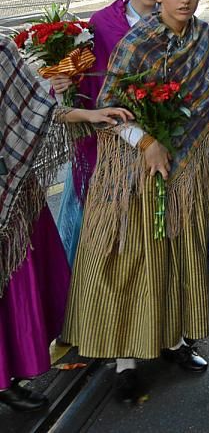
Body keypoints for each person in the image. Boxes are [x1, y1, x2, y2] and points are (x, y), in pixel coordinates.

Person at [63, 0, 209, 403]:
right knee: (133, 256)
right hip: (134, 171)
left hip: (186, 168)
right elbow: (110, 106)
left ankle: (176, 340)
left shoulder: (206, 38)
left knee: (181, 251)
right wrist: (146, 143)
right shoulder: (137, 41)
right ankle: (125, 360)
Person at [0, 38, 132, 412]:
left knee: (14, 288)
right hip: (13, 193)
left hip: (10, 195)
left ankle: (6, 377)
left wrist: (90, 114)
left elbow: (37, 109)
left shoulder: (2, 52)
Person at [58, 0, 163, 265]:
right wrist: (64, 81)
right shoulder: (102, 23)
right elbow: (77, 75)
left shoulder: (176, 22)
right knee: (98, 236)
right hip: (106, 144)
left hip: (159, 140)